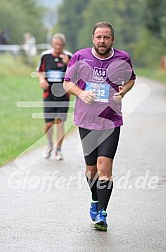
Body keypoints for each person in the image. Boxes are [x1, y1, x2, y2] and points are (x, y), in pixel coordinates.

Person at [63, 22, 136, 231]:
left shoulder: (122, 58)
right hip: (86, 120)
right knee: (91, 169)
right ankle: (95, 198)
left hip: (111, 120)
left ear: (112, 39)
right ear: (92, 38)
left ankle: (102, 214)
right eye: (98, 37)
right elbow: (67, 82)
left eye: (106, 37)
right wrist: (81, 93)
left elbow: (131, 79)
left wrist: (124, 91)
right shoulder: (80, 56)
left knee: (105, 167)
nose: (102, 41)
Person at [37, 33, 72, 160]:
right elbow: (39, 71)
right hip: (49, 94)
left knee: (60, 123)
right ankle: (49, 143)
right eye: (56, 45)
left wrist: (68, 64)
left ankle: (58, 150)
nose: (58, 47)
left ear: (64, 46)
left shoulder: (69, 56)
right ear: (52, 44)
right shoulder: (45, 56)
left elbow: (75, 74)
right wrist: (41, 80)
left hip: (63, 95)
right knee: (49, 123)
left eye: (60, 45)